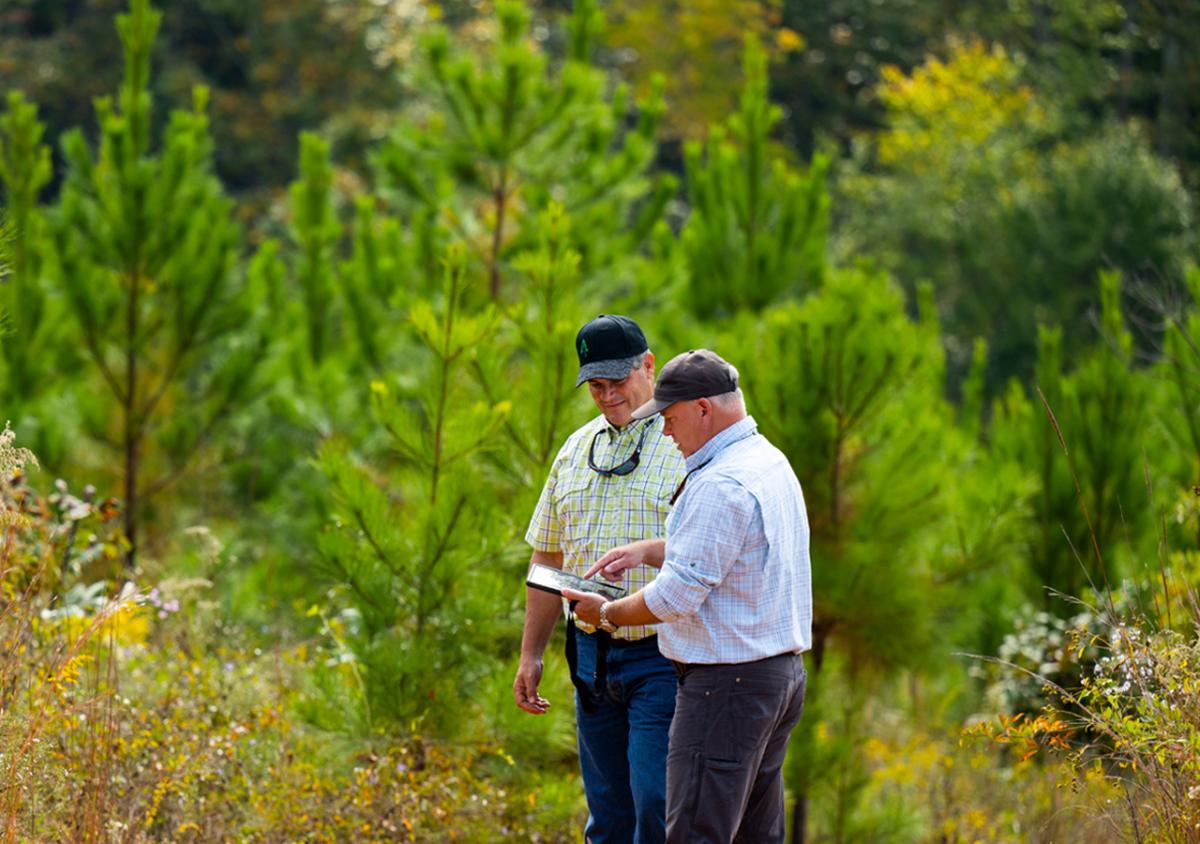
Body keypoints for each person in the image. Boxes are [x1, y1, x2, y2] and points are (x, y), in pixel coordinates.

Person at [564, 348, 812, 844]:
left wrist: (607, 613)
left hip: (726, 687)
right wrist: (651, 551)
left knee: (696, 832)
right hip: (777, 677)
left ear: (703, 409)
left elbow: (673, 600)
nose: (667, 432)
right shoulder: (766, 461)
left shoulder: (718, 482)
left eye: (671, 419)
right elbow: (730, 551)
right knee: (753, 835)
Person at [514, 314, 686, 844]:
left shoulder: (685, 445)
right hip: (589, 655)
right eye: (596, 385)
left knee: (656, 801)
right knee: (607, 813)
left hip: (660, 654)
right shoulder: (573, 451)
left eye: (619, 382)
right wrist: (531, 654)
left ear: (649, 366)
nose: (608, 395)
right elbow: (546, 560)